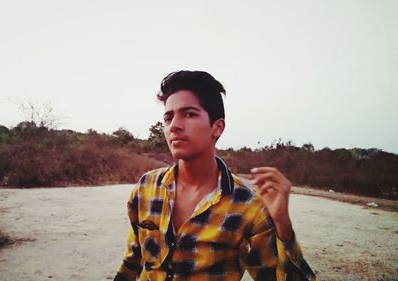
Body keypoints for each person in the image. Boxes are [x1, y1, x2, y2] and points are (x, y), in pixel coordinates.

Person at [114, 71, 315, 281]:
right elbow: (132, 261)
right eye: (168, 117)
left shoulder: (248, 206)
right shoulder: (146, 187)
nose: (174, 126)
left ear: (217, 127)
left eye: (189, 114)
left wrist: (283, 225)